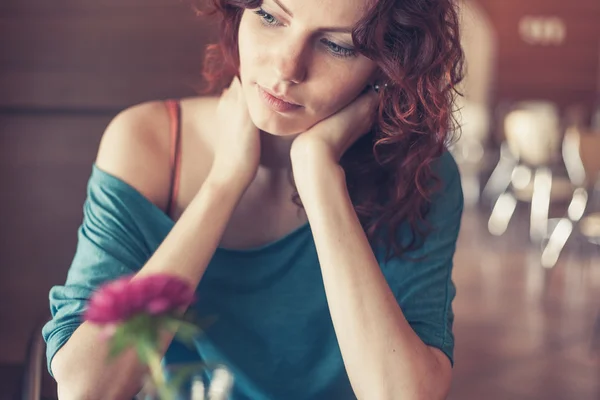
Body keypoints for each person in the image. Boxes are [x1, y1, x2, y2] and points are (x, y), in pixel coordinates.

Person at [42, 0, 465, 398]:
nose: (287, 67)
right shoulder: (149, 144)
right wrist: (224, 183)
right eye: (270, 17)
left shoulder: (420, 176)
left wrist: (319, 175)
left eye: (337, 45)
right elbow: (86, 387)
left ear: (387, 67)